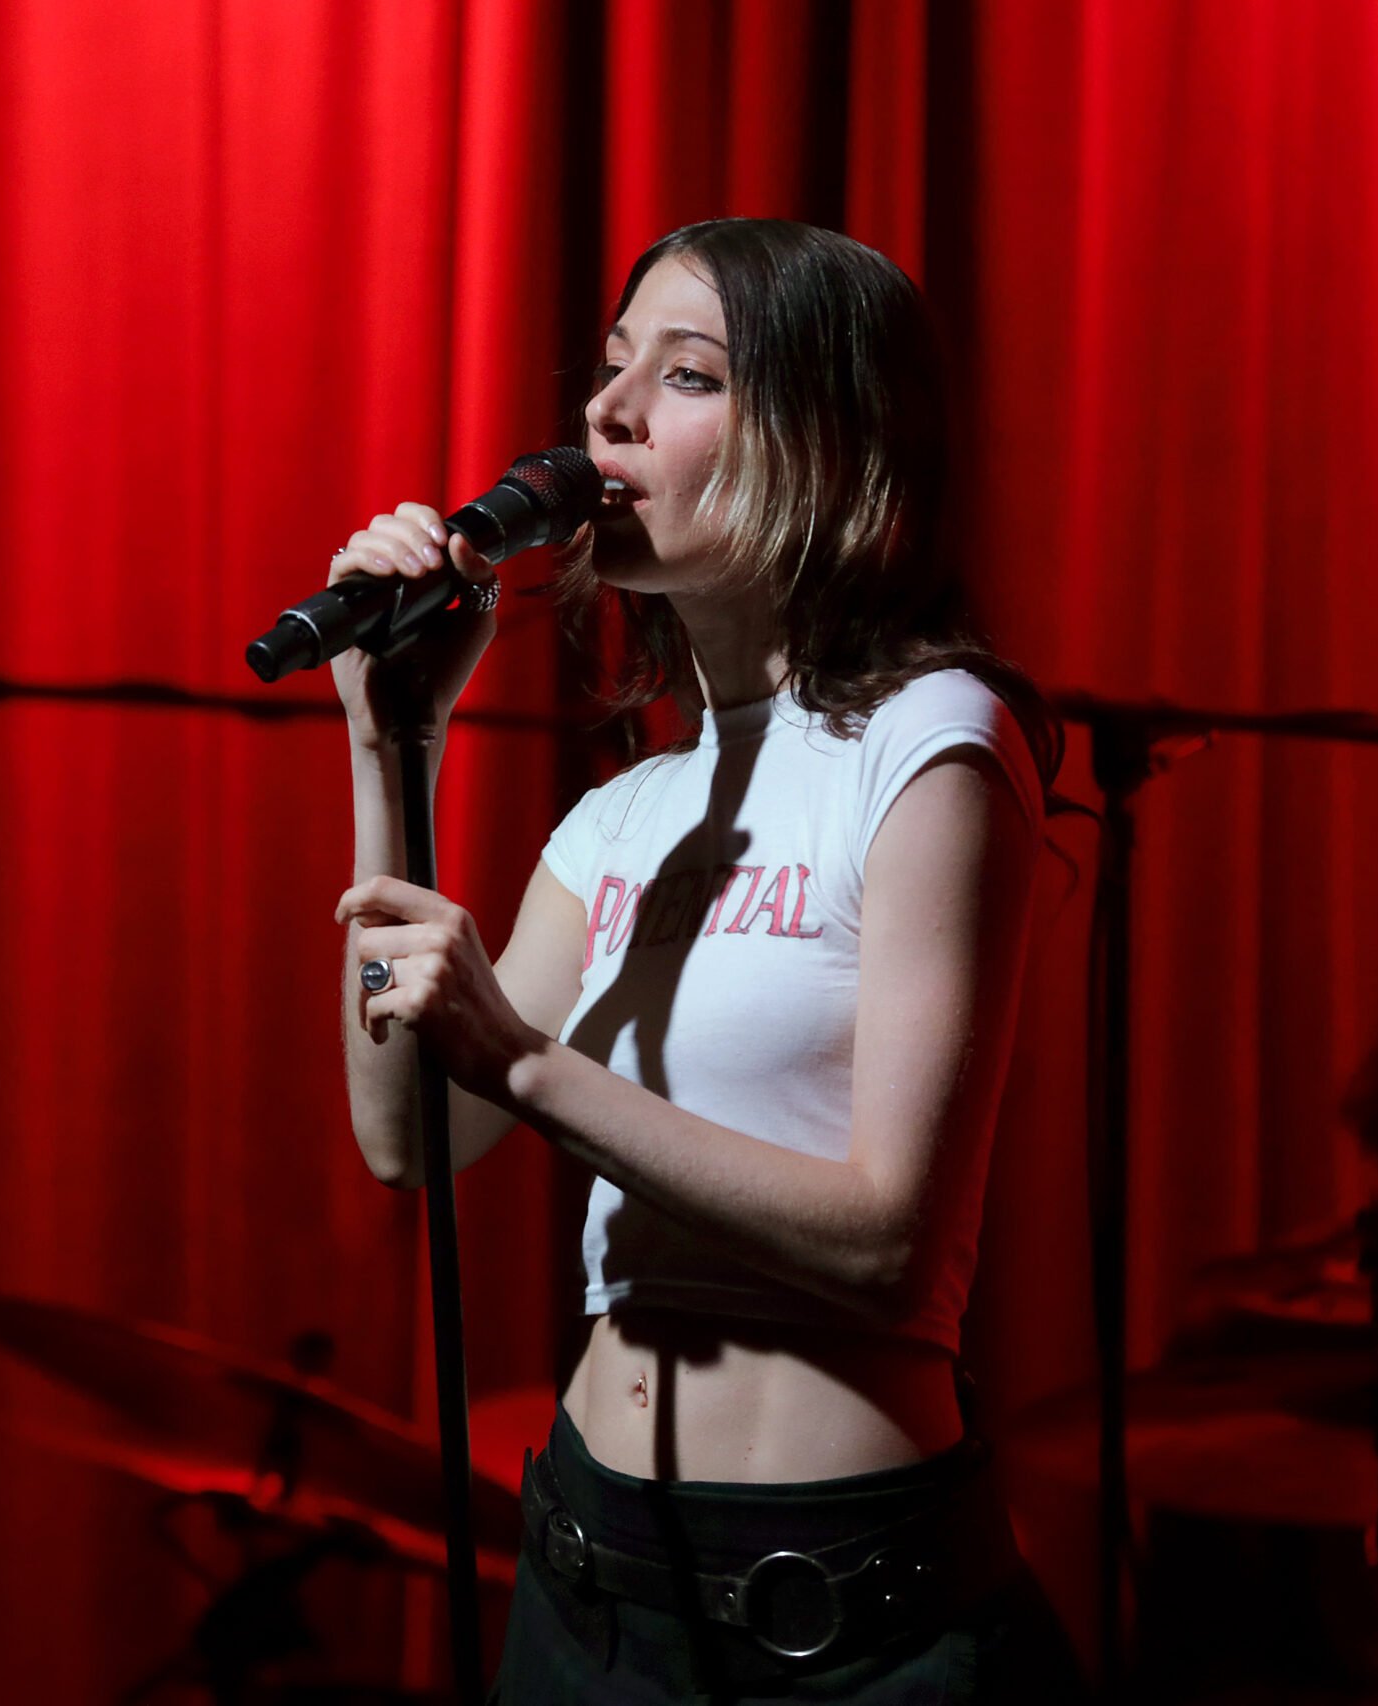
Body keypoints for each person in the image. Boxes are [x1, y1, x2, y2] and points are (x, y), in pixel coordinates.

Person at [326, 219, 1084, 1701]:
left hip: (837, 1619)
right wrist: (387, 746)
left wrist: (532, 1060)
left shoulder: (932, 741)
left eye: (685, 376)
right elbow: (408, 1131)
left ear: (832, 438)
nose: (605, 413)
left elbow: (893, 1239)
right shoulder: (624, 813)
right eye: (609, 372)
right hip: (589, 1584)